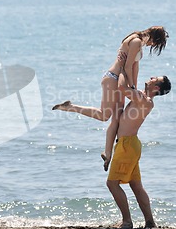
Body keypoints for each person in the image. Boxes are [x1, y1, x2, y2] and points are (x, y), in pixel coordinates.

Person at [52, 26, 168, 170]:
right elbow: (126, 68)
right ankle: (70, 107)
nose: (152, 46)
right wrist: (131, 88)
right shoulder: (136, 41)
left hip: (120, 80)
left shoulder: (139, 42)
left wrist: (134, 91)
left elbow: (134, 68)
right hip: (114, 78)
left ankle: (108, 154)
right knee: (104, 115)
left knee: (116, 118)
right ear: (154, 38)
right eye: (155, 44)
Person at [106, 73, 171, 229]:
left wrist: (120, 70)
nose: (151, 76)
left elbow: (121, 88)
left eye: (155, 78)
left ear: (156, 88)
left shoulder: (145, 101)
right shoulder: (141, 97)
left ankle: (127, 221)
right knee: (136, 185)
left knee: (112, 184)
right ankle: (150, 222)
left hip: (127, 146)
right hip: (130, 145)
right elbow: (127, 89)